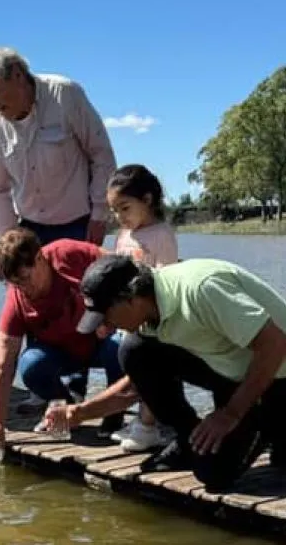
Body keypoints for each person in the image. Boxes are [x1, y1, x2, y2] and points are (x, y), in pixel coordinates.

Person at [48, 255, 286, 493]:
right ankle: (188, 438)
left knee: (214, 474)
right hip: (227, 363)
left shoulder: (201, 290)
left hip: (279, 369)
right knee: (134, 352)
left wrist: (230, 413)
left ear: (131, 298)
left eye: (106, 316)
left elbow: (278, 344)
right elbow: (138, 385)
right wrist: (79, 413)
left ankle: (280, 419)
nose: (104, 328)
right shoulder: (149, 308)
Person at [0, 228, 126, 456]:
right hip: (62, 353)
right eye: (15, 283)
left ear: (40, 257)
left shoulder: (67, 253)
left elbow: (120, 266)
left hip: (100, 343)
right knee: (30, 365)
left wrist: (112, 315)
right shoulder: (16, 300)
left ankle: (114, 414)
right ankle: (63, 408)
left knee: (122, 346)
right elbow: (3, 365)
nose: (23, 289)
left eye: (25, 279)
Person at [0, 46, 118, 247]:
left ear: (17, 75)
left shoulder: (66, 94)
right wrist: (7, 242)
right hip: (29, 232)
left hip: (80, 226)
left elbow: (101, 154)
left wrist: (100, 215)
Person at [104, 164, 179, 452]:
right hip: (127, 318)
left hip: (152, 317)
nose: (120, 217)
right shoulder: (124, 235)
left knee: (151, 371)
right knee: (135, 372)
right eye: (115, 211)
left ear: (146, 200)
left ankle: (147, 426)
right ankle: (145, 422)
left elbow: (168, 277)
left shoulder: (161, 234)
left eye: (125, 208)